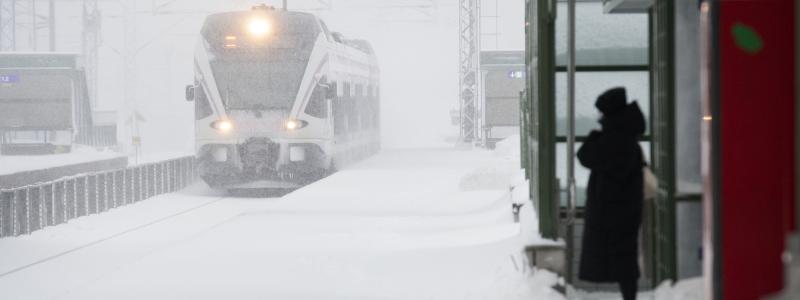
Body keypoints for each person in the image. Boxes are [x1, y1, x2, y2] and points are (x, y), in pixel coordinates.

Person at [577, 87, 645, 300]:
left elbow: (585, 155)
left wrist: (594, 136)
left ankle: (630, 296)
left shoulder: (615, 139)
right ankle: (630, 296)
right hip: (623, 209)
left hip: (613, 211)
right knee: (625, 258)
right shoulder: (626, 136)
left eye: (602, 112)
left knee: (623, 260)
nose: (599, 117)